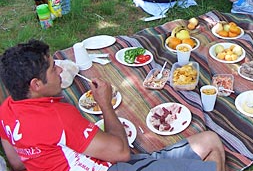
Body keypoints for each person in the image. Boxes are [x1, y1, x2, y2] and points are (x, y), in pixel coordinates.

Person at [0, 40, 226, 171]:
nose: (60, 70)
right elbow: (122, 153)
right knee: (212, 144)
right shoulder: (58, 117)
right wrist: (105, 104)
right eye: (52, 69)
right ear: (36, 84)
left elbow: (18, 163)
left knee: (204, 143)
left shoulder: (6, 110)